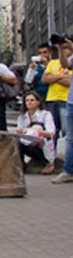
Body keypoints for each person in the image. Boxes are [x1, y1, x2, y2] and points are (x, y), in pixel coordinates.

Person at [15, 91, 56, 174]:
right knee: (17, 141)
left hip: (42, 145)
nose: (29, 102)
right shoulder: (23, 116)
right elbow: (19, 131)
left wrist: (33, 131)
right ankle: (21, 163)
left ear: (38, 102)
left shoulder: (45, 114)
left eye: (32, 100)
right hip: (28, 144)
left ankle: (48, 162)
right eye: (27, 100)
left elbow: (51, 133)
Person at [52, 38, 73, 184]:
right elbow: (66, 65)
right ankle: (68, 171)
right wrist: (60, 49)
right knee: (70, 138)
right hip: (71, 102)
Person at [42, 43, 71, 144]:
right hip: (51, 99)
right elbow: (44, 79)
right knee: (52, 129)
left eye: (66, 49)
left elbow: (69, 82)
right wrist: (60, 77)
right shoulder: (52, 63)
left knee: (66, 130)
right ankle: (52, 155)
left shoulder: (70, 64)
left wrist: (53, 78)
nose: (64, 51)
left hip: (65, 100)